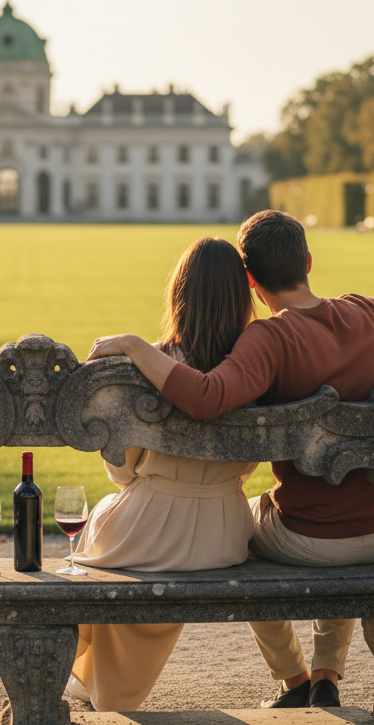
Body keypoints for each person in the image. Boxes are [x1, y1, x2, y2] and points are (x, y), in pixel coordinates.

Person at [86, 210, 374, 710]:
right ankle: (327, 673)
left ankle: (294, 678)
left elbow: (207, 397)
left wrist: (133, 345)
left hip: (310, 540)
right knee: (336, 506)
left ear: (250, 282)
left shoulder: (268, 340)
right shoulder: (367, 314)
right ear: (309, 261)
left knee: (236, 530)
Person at [66, 236, 259, 713]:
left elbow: (120, 470)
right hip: (225, 537)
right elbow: (251, 464)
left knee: (111, 531)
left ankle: (90, 684)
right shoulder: (256, 368)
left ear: (179, 294)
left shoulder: (148, 363)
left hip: (148, 529)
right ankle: (95, 686)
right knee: (136, 542)